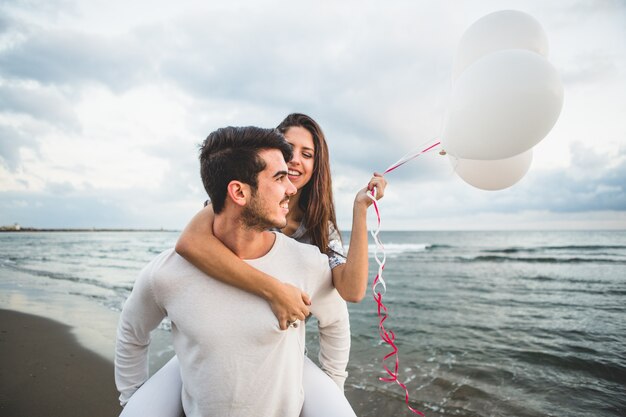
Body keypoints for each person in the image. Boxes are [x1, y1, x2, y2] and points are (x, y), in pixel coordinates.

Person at [115, 126, 351, 417]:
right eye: (279, 178)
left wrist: (332, 388)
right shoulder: (167, 274)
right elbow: (132, 330)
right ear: (238, 191)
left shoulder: (307, 262)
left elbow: (336, 321)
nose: (291, 188)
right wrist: (133, 398)